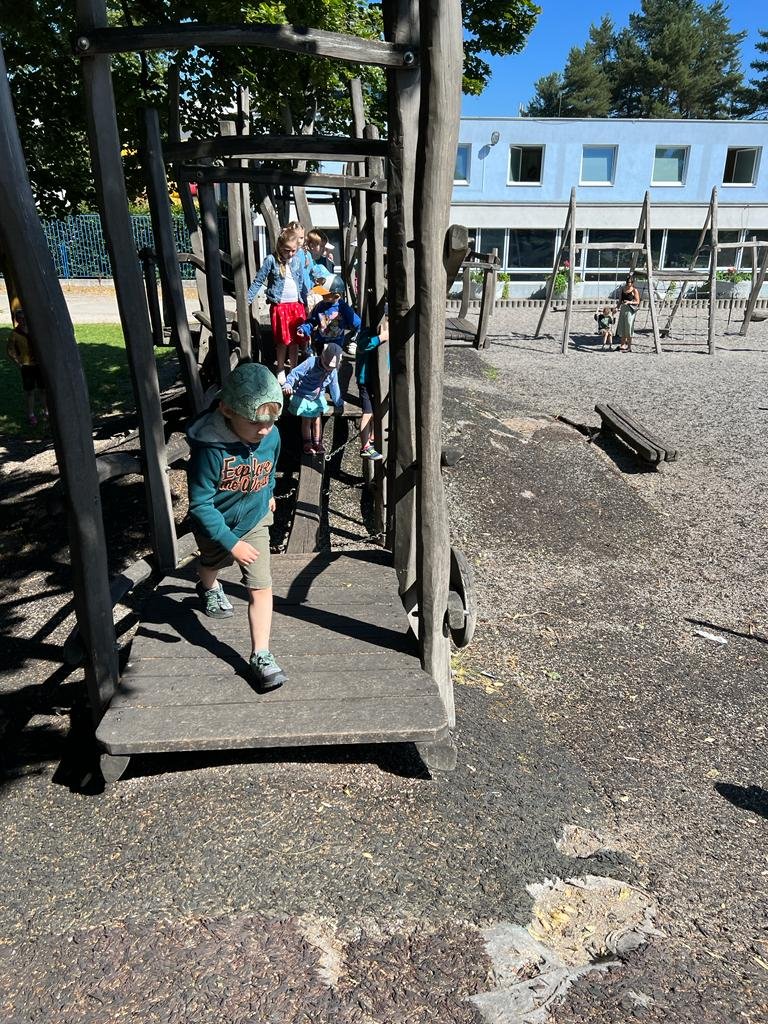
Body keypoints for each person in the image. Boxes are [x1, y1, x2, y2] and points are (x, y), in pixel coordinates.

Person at [186, 362, 287, 692]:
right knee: (212, 563)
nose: (264, 430)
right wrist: (231, 543)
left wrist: (268, 493)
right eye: (255, 422)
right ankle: (207, 586)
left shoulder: (271, 435)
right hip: (217, 524)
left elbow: (269, 468)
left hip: (255, 519)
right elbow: (200, 505)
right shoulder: (210, 450)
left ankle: (262, 654)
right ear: (227, 411)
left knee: (261, 586)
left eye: (271, 422)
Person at [246, 226, 310, 383]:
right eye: (287, 250)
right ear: (280, 247)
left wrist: (305, 303)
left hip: (296, 306)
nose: (291, 254)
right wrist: (247, 299)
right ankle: (280, 368)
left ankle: (293, 370)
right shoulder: (271, 260)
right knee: (282, 341)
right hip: (280, 307)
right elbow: (258, 281)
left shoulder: (296, 261)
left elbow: (301, 283)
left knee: (295, 341)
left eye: (294, 250)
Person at [282, 342, 344, 456]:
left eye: (331, 367)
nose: (328, 369)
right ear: (322, 357)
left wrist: (338, 401)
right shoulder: (311, 362)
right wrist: (288, 384)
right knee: (306, 419)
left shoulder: (333, 371)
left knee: (317, 419)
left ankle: (317, 442)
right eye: (327, 365)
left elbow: (334, 386)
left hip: (317, 397)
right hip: (303, 395)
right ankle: (307, 442)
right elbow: (295, 373)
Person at [355, 316, 388, 460]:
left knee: (377, 411)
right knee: (367, 412)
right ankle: (365, 447)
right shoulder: (367, 332)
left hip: (379, 380)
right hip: (365, 381)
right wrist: (380, 338)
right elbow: (362, 346)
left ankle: (373, 438)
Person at [6, 307, 46, 427]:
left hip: (39, 364)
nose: (22, 320)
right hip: (27, 366)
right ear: (17, 320)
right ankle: (31, 414)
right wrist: (18, 363)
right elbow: (10, 350)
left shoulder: (35, 330)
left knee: (43, 389)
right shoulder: (15, 334)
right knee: (30, 392)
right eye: (20, 318)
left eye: (24, 318)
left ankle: (46, 411)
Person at [297, 289, 360, 357]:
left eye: (326, 294)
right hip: (321, 341)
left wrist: (360, 330)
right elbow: (312, 321)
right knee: (321, 360)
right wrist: (304, 329)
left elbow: (356, 321)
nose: (323, 295)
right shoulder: (320, 306)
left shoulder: (343, 307)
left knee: (333, 361)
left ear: (336, 295)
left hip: (336, 342)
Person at [616, 276, 640, 353]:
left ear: (632, 283)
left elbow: (637, 302)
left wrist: (629, 302)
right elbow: (620, 300)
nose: (628, 283)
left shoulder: (634, 290)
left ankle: (629, 347)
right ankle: (622, 345)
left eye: (630, 282)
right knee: (623, 326)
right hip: (623, 309)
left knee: (629, 326)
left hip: (630, 310)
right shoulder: (622, 289)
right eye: (627, 282)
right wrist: (617, 308)